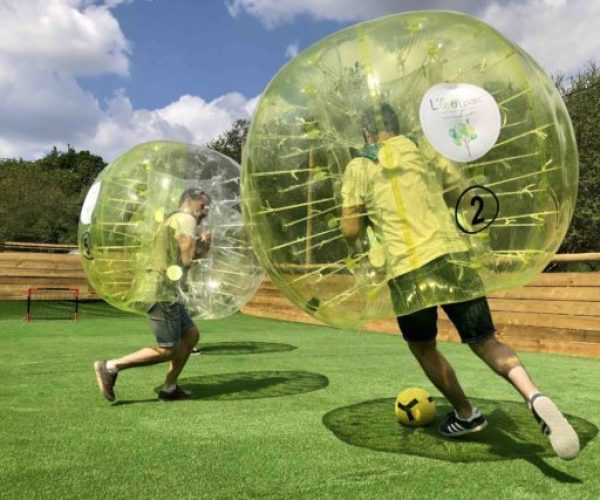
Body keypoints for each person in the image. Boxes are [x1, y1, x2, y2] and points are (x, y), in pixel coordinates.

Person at [340, 102, 579, 460]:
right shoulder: (424, 146)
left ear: (365, 132)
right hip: (451, 255)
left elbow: (350, 229)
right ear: (397, 123)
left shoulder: (359, 165)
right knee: (485, 341)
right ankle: (533, 394)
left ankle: (467, 414)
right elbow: (460, 196)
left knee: (423, 347)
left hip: (406, 268)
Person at [94, 188, 211, 402]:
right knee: (168, 349)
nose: (206, 209)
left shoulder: (175, 220)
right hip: (160, 290)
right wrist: (201, 241)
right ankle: (110, 367)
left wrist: (202, 242)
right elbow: (188, 260)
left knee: (191, 334)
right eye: (203, 204)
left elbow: (185, 254)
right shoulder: (185, 219)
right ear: (188, 200)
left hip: (166, 290)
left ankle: (170, 388)